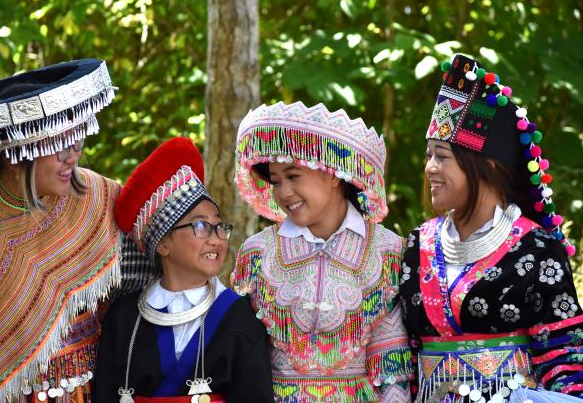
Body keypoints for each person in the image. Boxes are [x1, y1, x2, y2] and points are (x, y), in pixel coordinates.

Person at [0, 58, 122, 403]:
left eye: (77, 142)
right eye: (59, 145)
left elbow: (124, 302)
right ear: (16, 152)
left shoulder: (98, 198)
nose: (73, 156)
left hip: (81, 389)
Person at [399, 54, 583, 403]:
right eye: (428, 156)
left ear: (487, 166)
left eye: (442, 156)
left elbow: (564, 360)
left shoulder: (538, 250)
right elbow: (403, 353)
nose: (430, 169)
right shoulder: (415, 245)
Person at [232, 101, 413, 403]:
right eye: (276, 181)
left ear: (332, 173)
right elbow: (244, 357)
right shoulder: (257, 254)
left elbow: (390, 362)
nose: (283, 193)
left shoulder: (387, 251)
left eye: (293, 176)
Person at [94, 137, 273, 403]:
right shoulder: (124, 318)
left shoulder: (239, 316)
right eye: (200, 226)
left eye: (220, 226)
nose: (216, 238)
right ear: (163, 244)